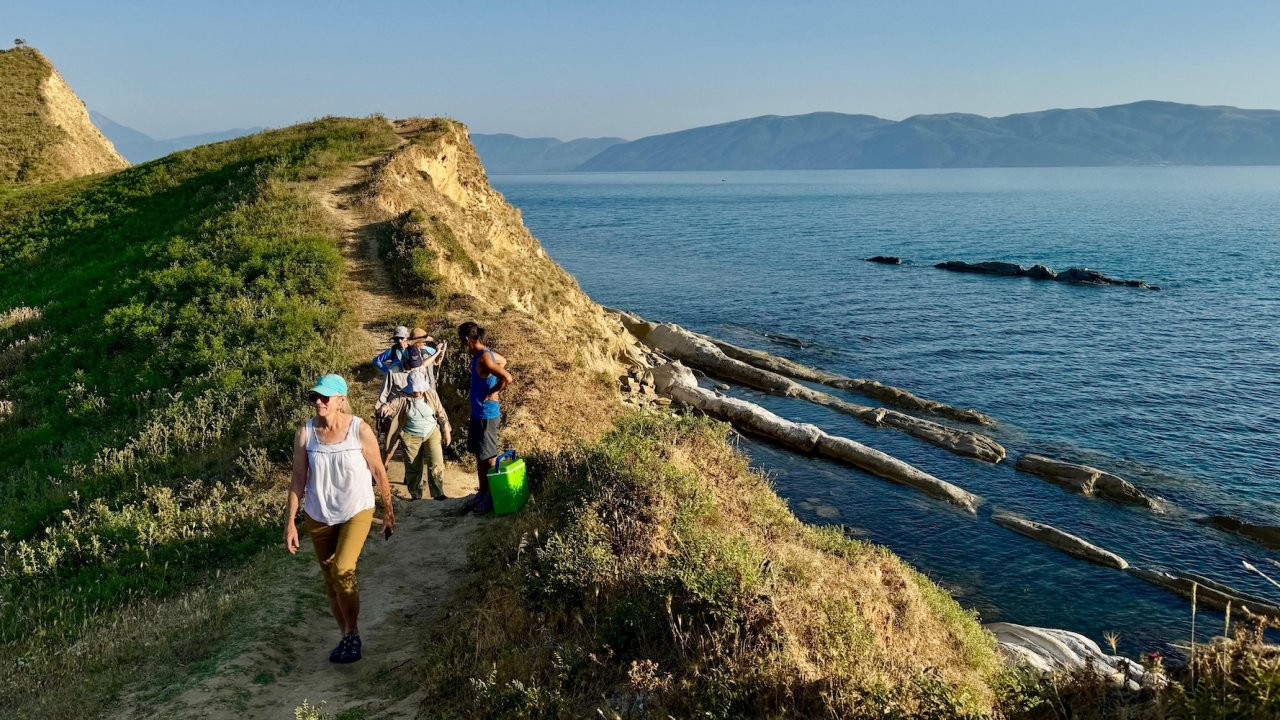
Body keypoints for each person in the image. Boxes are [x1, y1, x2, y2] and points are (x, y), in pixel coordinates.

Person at [284, 374, 395, 664]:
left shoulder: (359, 429)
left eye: (325, 397)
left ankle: (354, 632)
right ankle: (345, 635)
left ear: (341, 399)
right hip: (318, 514)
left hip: (356, 510)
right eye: (314, 397)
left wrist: (388, 513)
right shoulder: (305, 433)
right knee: (331, 581)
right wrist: (291, 523)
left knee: (343, 570)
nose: (318, 401)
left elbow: (379, 472)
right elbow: (298, 479)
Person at [458, 321, 513, 513]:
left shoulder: (484, 359)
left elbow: (507, 377)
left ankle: (490, 498)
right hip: (478, 415)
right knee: (480, 456)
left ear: (467, 340)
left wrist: (493, 391)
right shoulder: (486, 354)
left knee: (488, 457)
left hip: (486, 415)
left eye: (462, 342)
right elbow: (503, 360)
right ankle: (482, 493)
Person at [393, 372, 452, 500]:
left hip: (431, 431)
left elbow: (440, 412)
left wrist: (445, 429)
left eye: (420, 389)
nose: (418, 392)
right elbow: (393, 405)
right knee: (413, 466)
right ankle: (415, 495)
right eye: (415, 390)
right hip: (410, 435)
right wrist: (385, 407)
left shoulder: (431, 394)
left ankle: (438, 493)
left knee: (436, 462)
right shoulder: (403, 397)